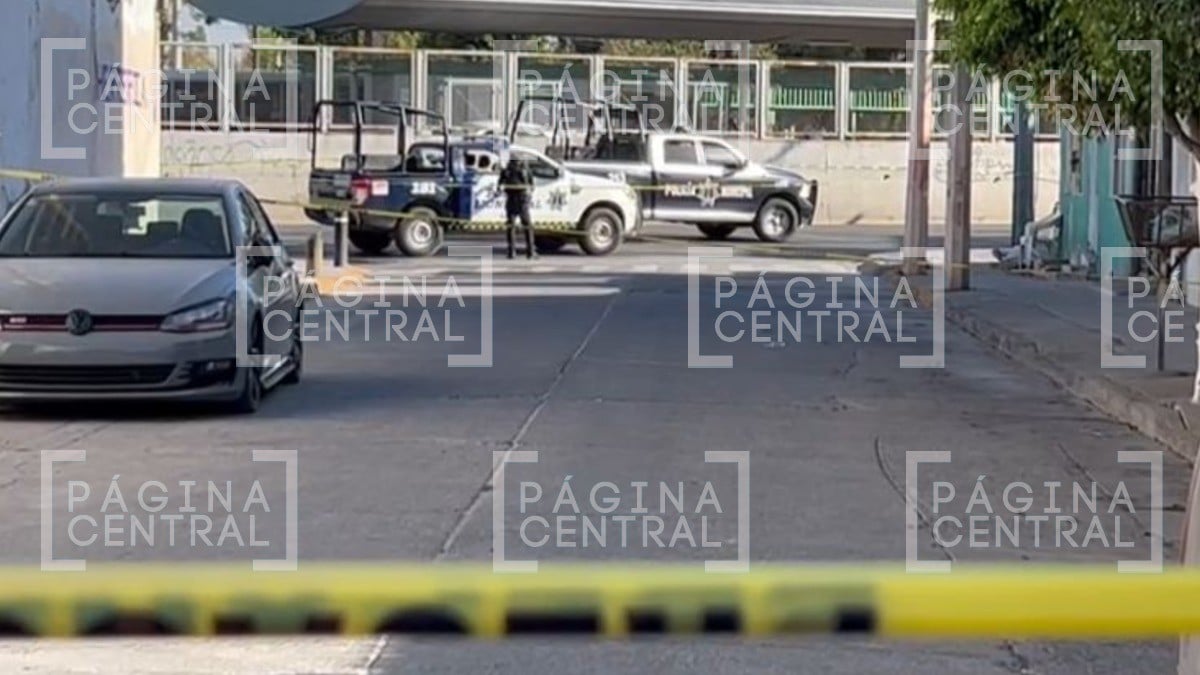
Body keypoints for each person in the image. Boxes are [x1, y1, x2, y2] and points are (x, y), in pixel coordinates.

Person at [499, 156, 537, 259]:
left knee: (511, 226)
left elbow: (500, 185)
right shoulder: (524, 169)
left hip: (511, 199)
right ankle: (530, 251)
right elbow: (532, 185)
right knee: (527, 225)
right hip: (522, 199)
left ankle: (511, 252)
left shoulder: (506, 170)